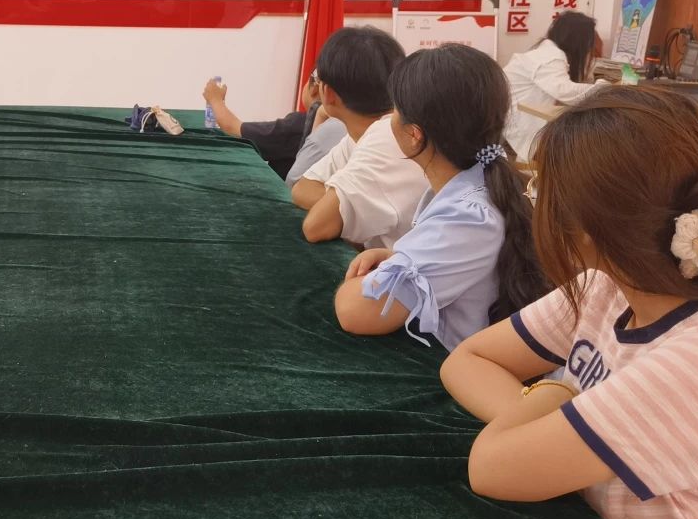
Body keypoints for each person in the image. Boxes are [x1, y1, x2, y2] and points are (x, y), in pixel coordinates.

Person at [439, 85, 698, 519]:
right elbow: (468, 359)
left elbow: (491, 467)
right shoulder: (607, 286)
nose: (535, 203)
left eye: (542, 190)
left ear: (589, 227)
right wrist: (552, 423)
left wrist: (554, 402)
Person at [334, 45, 547, 350]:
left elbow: (355, 311)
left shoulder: (469, 217)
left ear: (414, 135)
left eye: (395, 110)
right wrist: (397, 260)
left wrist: (363, 282)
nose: (389, 118)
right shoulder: (477, 187)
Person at [291, 27, 428, 248]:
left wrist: (343, 209)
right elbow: (302, 189)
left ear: (328, 93)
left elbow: (315, 227)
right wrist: (347, 208)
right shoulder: (363, 133)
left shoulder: (387, 137)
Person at [202, 74, 346, 183]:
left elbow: (233, 128)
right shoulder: (344, 127)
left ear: (314, 88)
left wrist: (215, 99)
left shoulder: (297, 126)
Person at [502, 10, 606, 160]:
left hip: (513, 125)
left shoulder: (547, 52)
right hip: (520, 130)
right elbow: (565, 91)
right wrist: (602, 87)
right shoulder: (550, 57)